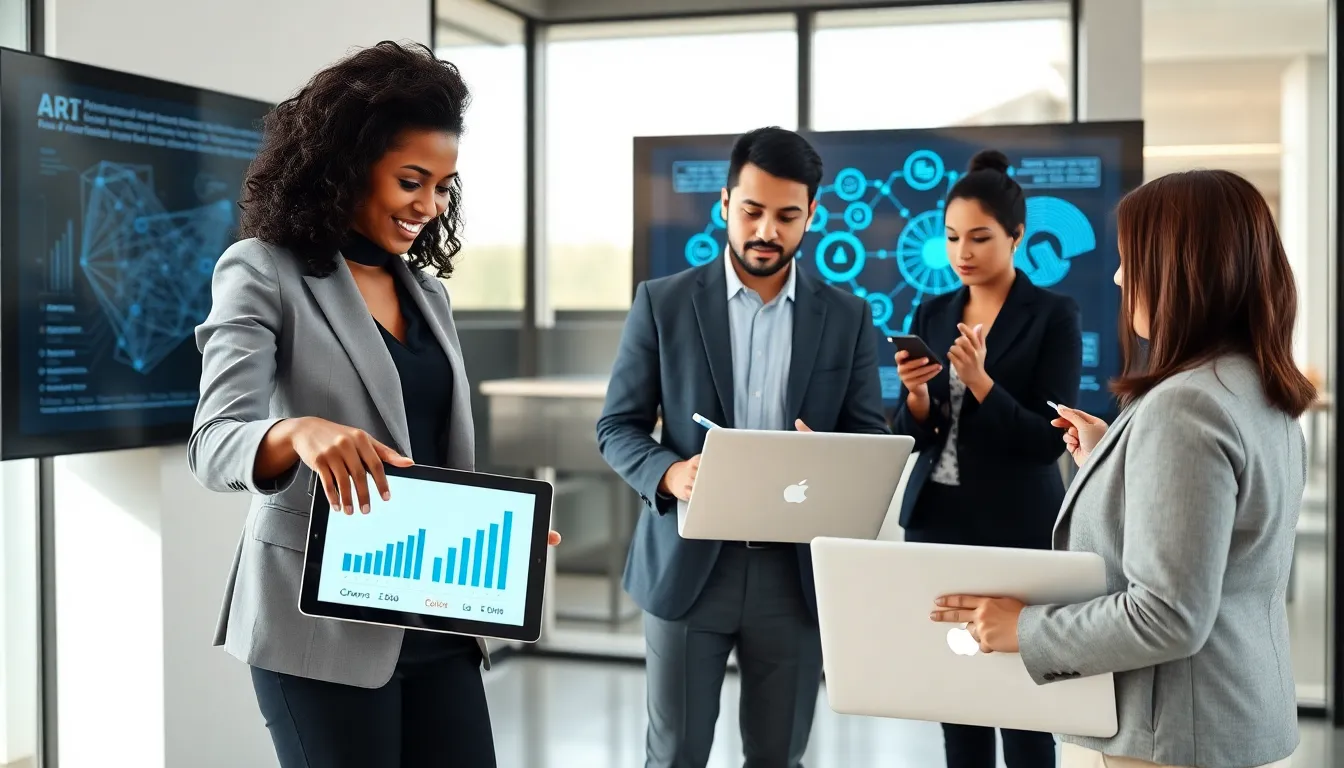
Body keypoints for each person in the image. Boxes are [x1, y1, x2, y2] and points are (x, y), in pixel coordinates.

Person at [187, 41, 558, 768]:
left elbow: (429, 456)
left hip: (440, 617)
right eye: (411, 181)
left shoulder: (430, 295)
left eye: (444, 186)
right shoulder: (262, 270)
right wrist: (297, 432)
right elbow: (213, 443)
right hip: (317, 628)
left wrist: (502, 540)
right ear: (349, 167)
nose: (430, 206)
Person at [931, 169, 1310, 768]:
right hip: (1235, 715)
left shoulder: (1186, 406)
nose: (1118, 276)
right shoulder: (1257, 388)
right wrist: (1121, 457)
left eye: (1131, 259)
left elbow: (1167, 615)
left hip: (1170, 736)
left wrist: (1021, 630)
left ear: (1178, 269)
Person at [596, 126, 889, 768]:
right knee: (674, 756)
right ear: (725, 204)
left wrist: (833, 457)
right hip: (687, 567)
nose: (766, 231)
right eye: (752, 211)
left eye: (787, 216)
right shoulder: (663, 303)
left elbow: (871, 440)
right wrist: (670, 473)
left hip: (795, 578)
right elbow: (616, 426)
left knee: (779, 758)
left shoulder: (847, 317)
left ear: (812, 215)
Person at [891, 149, 1080, 768]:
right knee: (958, 701)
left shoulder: (1054, 315)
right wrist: (918, 395)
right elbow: (918, 432)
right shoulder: (935, 310)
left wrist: (980, 382)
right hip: (937, 524)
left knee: (1022, 709)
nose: (962, 252)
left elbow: (1046, 440)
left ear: (1017, 236)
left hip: (1015, 529)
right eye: (951, 238)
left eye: (979, 237)